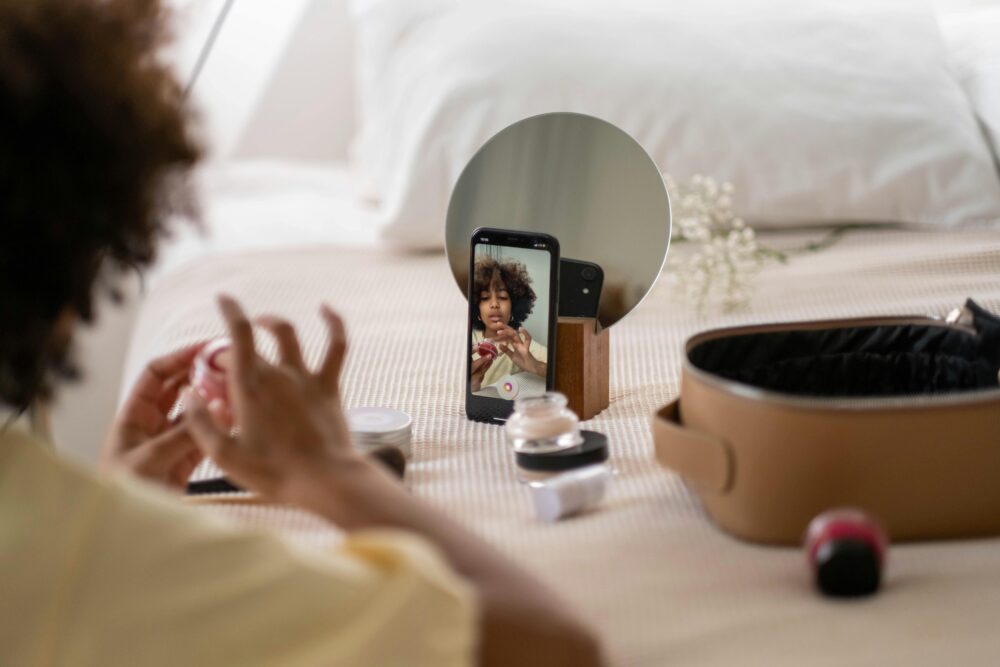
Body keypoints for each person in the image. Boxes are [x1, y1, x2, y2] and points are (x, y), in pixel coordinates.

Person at [0, 1, 603, 665]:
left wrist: (114, 502)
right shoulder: (87, 558)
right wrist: (332, 470)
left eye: (502, 296)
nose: (491, 305)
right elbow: (559, 647)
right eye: (484, 295)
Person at [470, 255, 549, 393]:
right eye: (485, 298)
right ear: (476, 307)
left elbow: (567, 371)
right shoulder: (466, 341)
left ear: (514, 306)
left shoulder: (523, 346)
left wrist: (536, 367)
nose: (494, 304)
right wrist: (471, 386)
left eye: (502, 297)